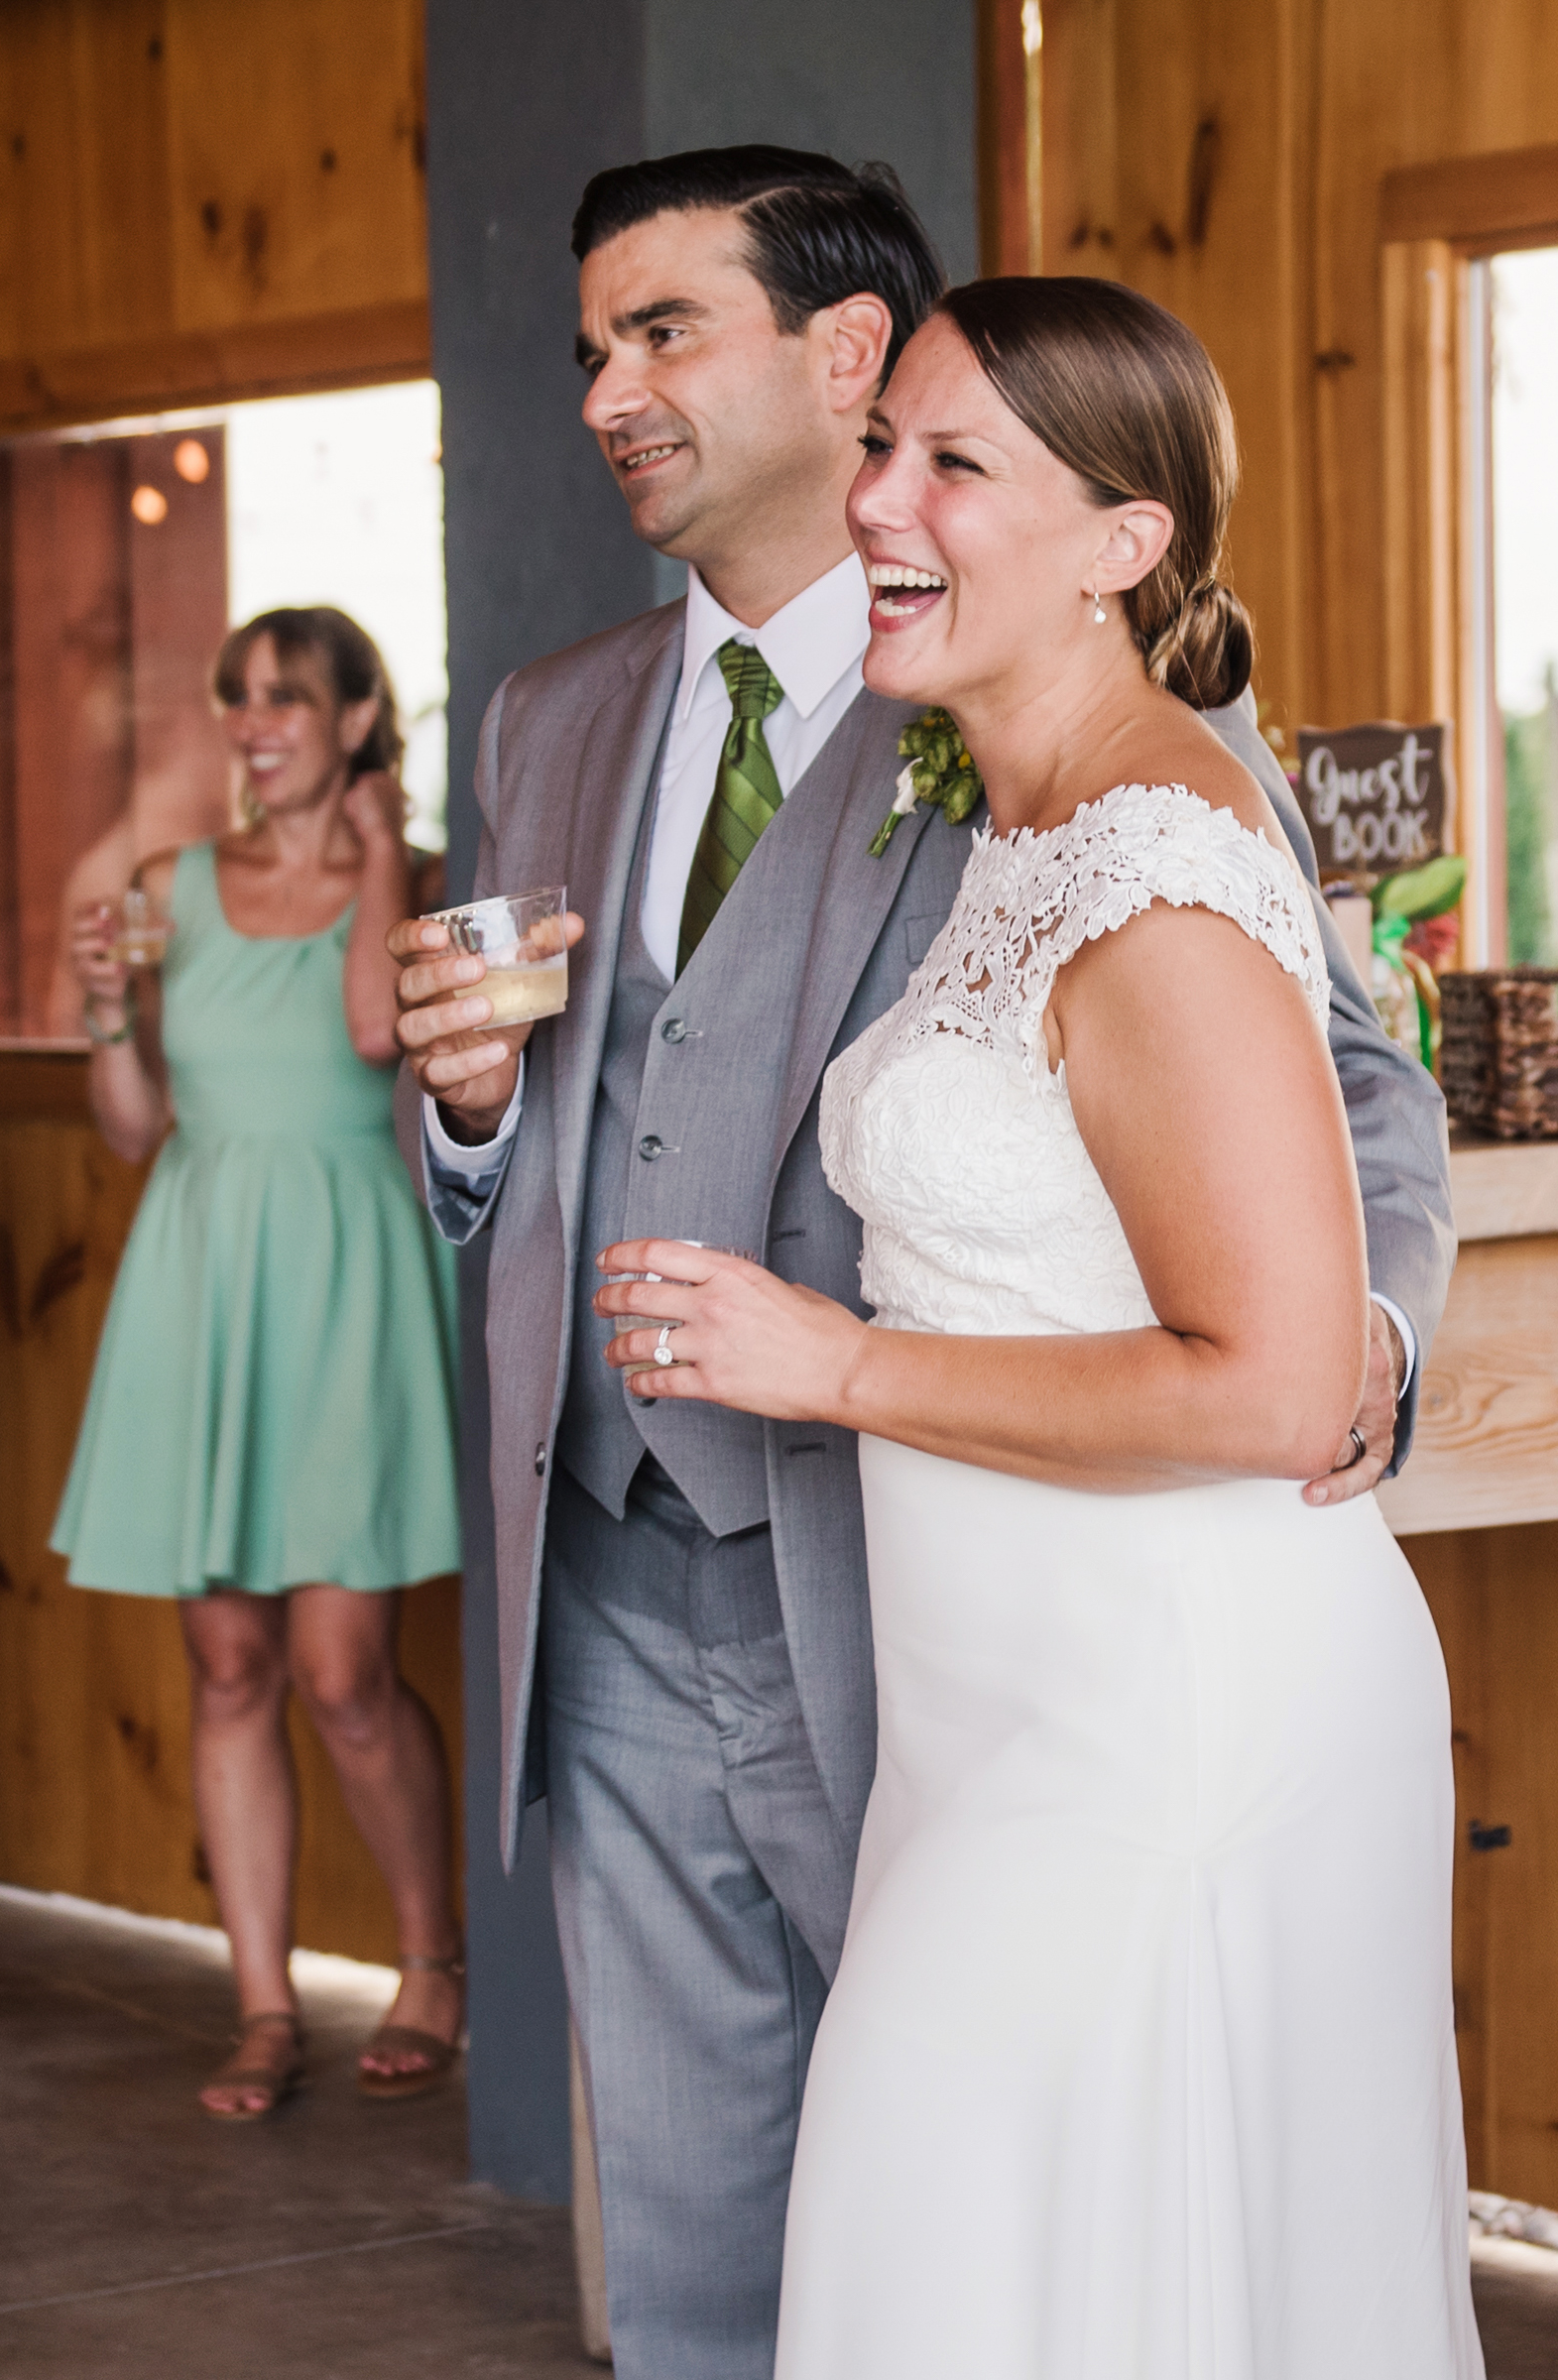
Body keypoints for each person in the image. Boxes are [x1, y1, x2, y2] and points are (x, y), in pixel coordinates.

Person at [389, 152, 1455, 2380]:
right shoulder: (546, 717)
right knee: (706, 2250)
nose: (604, 389)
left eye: (659, 331)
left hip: (936, 1609)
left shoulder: (1062, 711)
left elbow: (1343, 1091)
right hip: (612, 1573)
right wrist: (471, 1112)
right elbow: (552, 1129)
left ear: (839, 355)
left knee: (1015, 2227)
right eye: (585, 346)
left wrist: (1350, 1342)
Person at [54, 607, 466, 2120]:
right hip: (201, 1273)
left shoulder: (415, 888)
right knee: (226, 1662)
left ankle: (432, 1965)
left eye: (287, 698)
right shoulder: (170, 887)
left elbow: (375, 1033)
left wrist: (371, 856)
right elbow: (131, 1125)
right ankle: (262, 2005)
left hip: (354, 1280)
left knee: (342, 1669)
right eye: (237, 700)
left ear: (358, 718)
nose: (254, 723)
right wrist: (105, 1004)